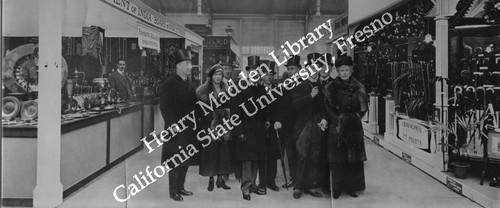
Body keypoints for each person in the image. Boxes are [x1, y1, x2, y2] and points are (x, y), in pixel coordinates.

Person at [323, 55, 368, 199]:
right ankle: (336, 188)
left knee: (353, 160)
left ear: (351, 70)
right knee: (337, 160)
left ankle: (351, 187)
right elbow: (328, 108)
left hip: (353, 128)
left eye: (347, 70)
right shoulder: (330, 87)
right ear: (337, 70)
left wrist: (352, 119)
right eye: (341, 70)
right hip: (336, 127)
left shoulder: (359, 87)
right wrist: (338, 120)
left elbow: (363, 108)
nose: (344, 73)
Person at [159, 49, 200, 202]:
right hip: (175, 128)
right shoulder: (169, 84)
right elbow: (165, 107)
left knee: (185, 158)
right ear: (178, 66)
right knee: (175, 160)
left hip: (188, 128)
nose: (190, 66)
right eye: (187, 63)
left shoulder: (190, 83)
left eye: (190, 63)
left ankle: (181, 187)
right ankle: (173, 191)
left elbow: (194, 105)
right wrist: (172, 125)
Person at [291, 53, 325, 199]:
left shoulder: (321, 85)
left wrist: (324, 119)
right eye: (311, 68)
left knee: (314, 156)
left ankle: (310, 186)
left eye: (317, 67)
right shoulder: (300, 84)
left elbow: (324, 107)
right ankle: (298, 187)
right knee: (302, 156)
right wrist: (310, 96)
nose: (314, 70)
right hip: (303, 125)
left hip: (317, 125)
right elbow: (294, 105)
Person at [233, 56, 267, 200]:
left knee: (256, 159)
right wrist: (239, 131)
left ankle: (253, 184)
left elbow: (265, 110)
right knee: (247, 161)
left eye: (257, 71)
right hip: (246, 131)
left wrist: (267, 121)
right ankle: (246, 188)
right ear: (248, 73)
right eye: (252, 71)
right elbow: (235, 114)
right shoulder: (241, 90)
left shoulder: (261, 90)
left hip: (258, 131)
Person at [196, 64, 233, 192]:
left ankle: (220, 179)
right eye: (216, 74)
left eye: (220, 74)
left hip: (224, 126)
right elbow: (200, 110)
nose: (218, 77)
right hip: (209, 126)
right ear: (211, 76)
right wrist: (210, 119)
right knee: (211, 153)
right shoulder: (203, 91)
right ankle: (211, 179)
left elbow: (230, 106)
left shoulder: (227, 89)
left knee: (223, 153)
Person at [274, 55, 301, 189]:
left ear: (299, 69)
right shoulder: (284, 86)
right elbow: (280, 105)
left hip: (301, 124)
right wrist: (278, 120)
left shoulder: (304, 83)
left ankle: (300, 181)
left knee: (301, 153)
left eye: (293, 69)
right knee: (290, 154)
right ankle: (293, 179)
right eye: (289, 69)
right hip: (287, 125)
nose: (291, 72)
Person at [257, 60, 280, 192]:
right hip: (260, 127)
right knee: (262, 155)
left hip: (274, 127)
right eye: (266, 74)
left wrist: (278, 121)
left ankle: (271, 181)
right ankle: (262, 182)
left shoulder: (278, 90)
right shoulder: (257, 90)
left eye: (271, 74)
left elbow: (281, 108)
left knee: (272, 156)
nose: (269, 76)